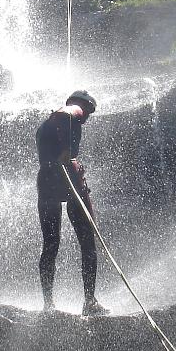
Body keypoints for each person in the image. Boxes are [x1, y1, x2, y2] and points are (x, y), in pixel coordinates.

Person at [35, 89, 108, 316]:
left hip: (46, 180)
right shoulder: (72, 111)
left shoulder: (45, 127)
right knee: (88, 242)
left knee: (50, 244)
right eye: (89, 112)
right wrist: (67, 151)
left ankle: (48, 304)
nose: (87, 117)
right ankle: (90, 302)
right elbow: (67, 114)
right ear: (85, 104)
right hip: (68, 179)